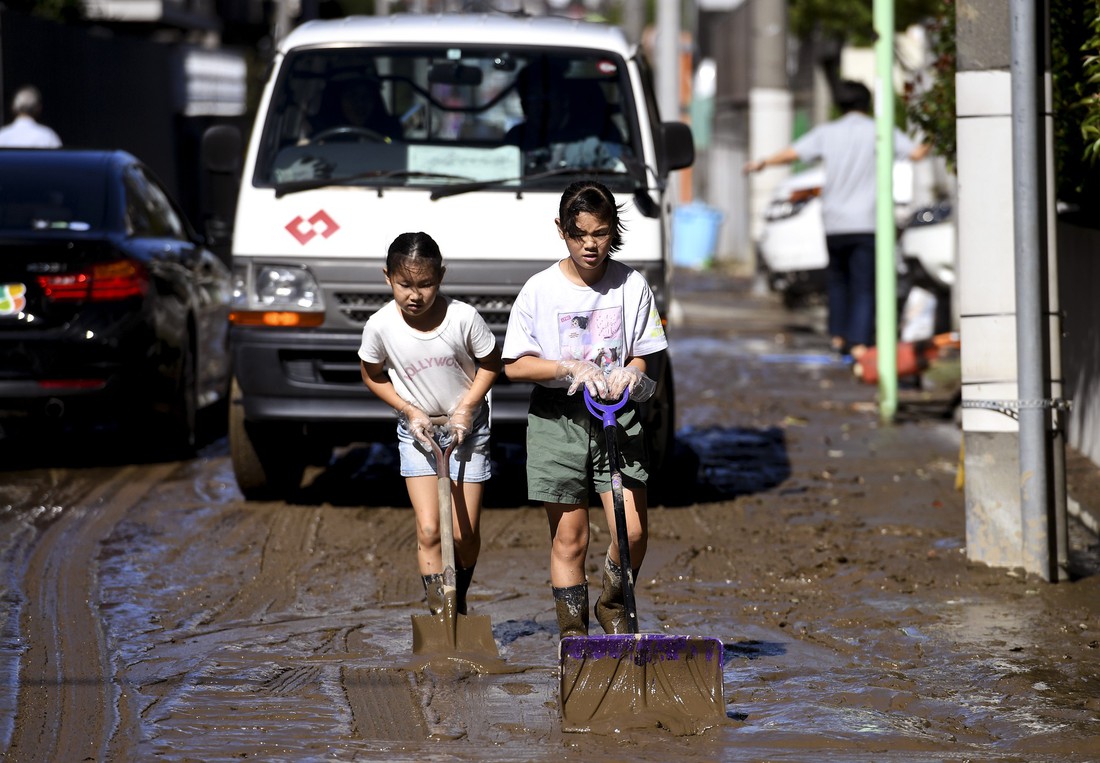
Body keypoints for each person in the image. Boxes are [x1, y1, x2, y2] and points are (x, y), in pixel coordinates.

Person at [501, 180, 665, 640]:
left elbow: (641, 355)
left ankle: (614, 610)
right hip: (558, 418)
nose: (590, 245)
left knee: (631, 533)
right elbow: (513, 366)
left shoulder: (631, 285)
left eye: (601, 232)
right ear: (561, 231)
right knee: (570, 538)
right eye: (579, 234)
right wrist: (565, 365)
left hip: (617, 414)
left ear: (614, 230)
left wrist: (631, 372)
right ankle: (574, 640)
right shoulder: (539, 290)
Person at [358, 232, 502, 617]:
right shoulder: (380, 326)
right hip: (418, 433)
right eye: (405, 285)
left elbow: (491, 363)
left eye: (426, 284)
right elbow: (371, 374)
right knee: (429, 530)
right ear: (387, 277)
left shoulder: (463, 318)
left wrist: (468, 406)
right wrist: (408, 409)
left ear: (442, 275)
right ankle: (441, 612)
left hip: (467, 430)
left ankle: (460, 598)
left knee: (463, 533)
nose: (415, 295)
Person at [744, 79, 929, 359]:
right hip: (868, 221)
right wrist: (936, 130)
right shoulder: (879, 131)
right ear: (866, 104)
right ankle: (858, 344)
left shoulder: (828, 132)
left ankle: (838, 337)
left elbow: (792, 153)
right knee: (864, 285)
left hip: (834, 221)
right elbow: (916, 153)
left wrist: (763, 162)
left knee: (838, 281)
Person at [305, 74, 402, 143]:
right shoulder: (319, 136)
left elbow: (393, 145)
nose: (360, 103)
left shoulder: (388, 133)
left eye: (366, 96)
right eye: (352, 96)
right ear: (337, 101)